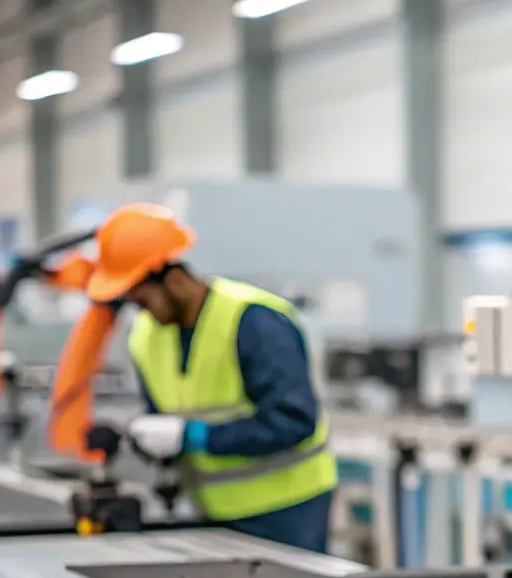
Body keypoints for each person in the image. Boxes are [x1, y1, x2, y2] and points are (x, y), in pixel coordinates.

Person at [84, 203, 337, 552]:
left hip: (286, 510)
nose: (141, 312)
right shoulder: (146, 337)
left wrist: (194, 436)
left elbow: (293, 421)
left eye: (143, 300)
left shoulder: (254, 322)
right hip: (210, 512)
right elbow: (168, 426)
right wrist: (136, 438)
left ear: (173, 279)